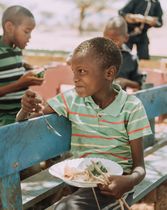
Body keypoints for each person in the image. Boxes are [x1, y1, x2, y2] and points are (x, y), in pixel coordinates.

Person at [16, 37, 152, 210]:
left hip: (112, 185)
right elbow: (30, 117)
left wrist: (129, 181)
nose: (75, 79)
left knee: (64, 208)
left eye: (81, 71)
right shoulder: (72, 99)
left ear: (109, 73)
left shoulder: (131, 107)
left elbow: (140, 167)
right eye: (74, 72)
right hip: (79, 179)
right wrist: (26, 108)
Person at [0, 5, 44, 126]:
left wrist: (30, 68)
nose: (29, 37)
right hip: (5, 121)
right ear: (9, 27)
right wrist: (20, 84)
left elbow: (11, 66)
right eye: (26, 31)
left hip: (22, 114)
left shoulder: (16, 49)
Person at [103, 16, 143, 91]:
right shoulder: (95, 55)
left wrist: (125, 82)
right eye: (107, 39)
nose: (111, 44)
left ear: (126, 38)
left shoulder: (131, 59)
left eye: (115, 40)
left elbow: (138, 84)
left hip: (120, 101)